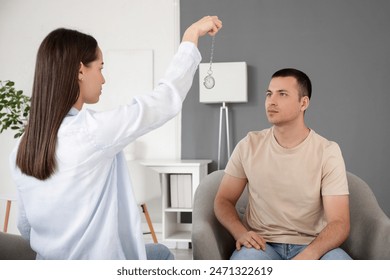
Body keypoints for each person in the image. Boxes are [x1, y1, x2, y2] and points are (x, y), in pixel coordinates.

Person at [9, 16, 222, 260]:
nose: (103, 79)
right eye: (100, 68)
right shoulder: (92, 132)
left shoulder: (22, 148)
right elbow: (164, 101)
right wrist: (191, 37)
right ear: (80, 70)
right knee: (163, 254)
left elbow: (26, 227)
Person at [214, 68, 352, 260]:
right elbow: (223, 200)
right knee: (246, 263)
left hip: (313, 245)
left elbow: (340, 222)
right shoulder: (249, 145)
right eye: (269, 94)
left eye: (283, 94)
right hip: (261, 246)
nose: (272, 101)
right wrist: (240, 233)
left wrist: (310, 255)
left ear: (303, 103)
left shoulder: (328, 151)